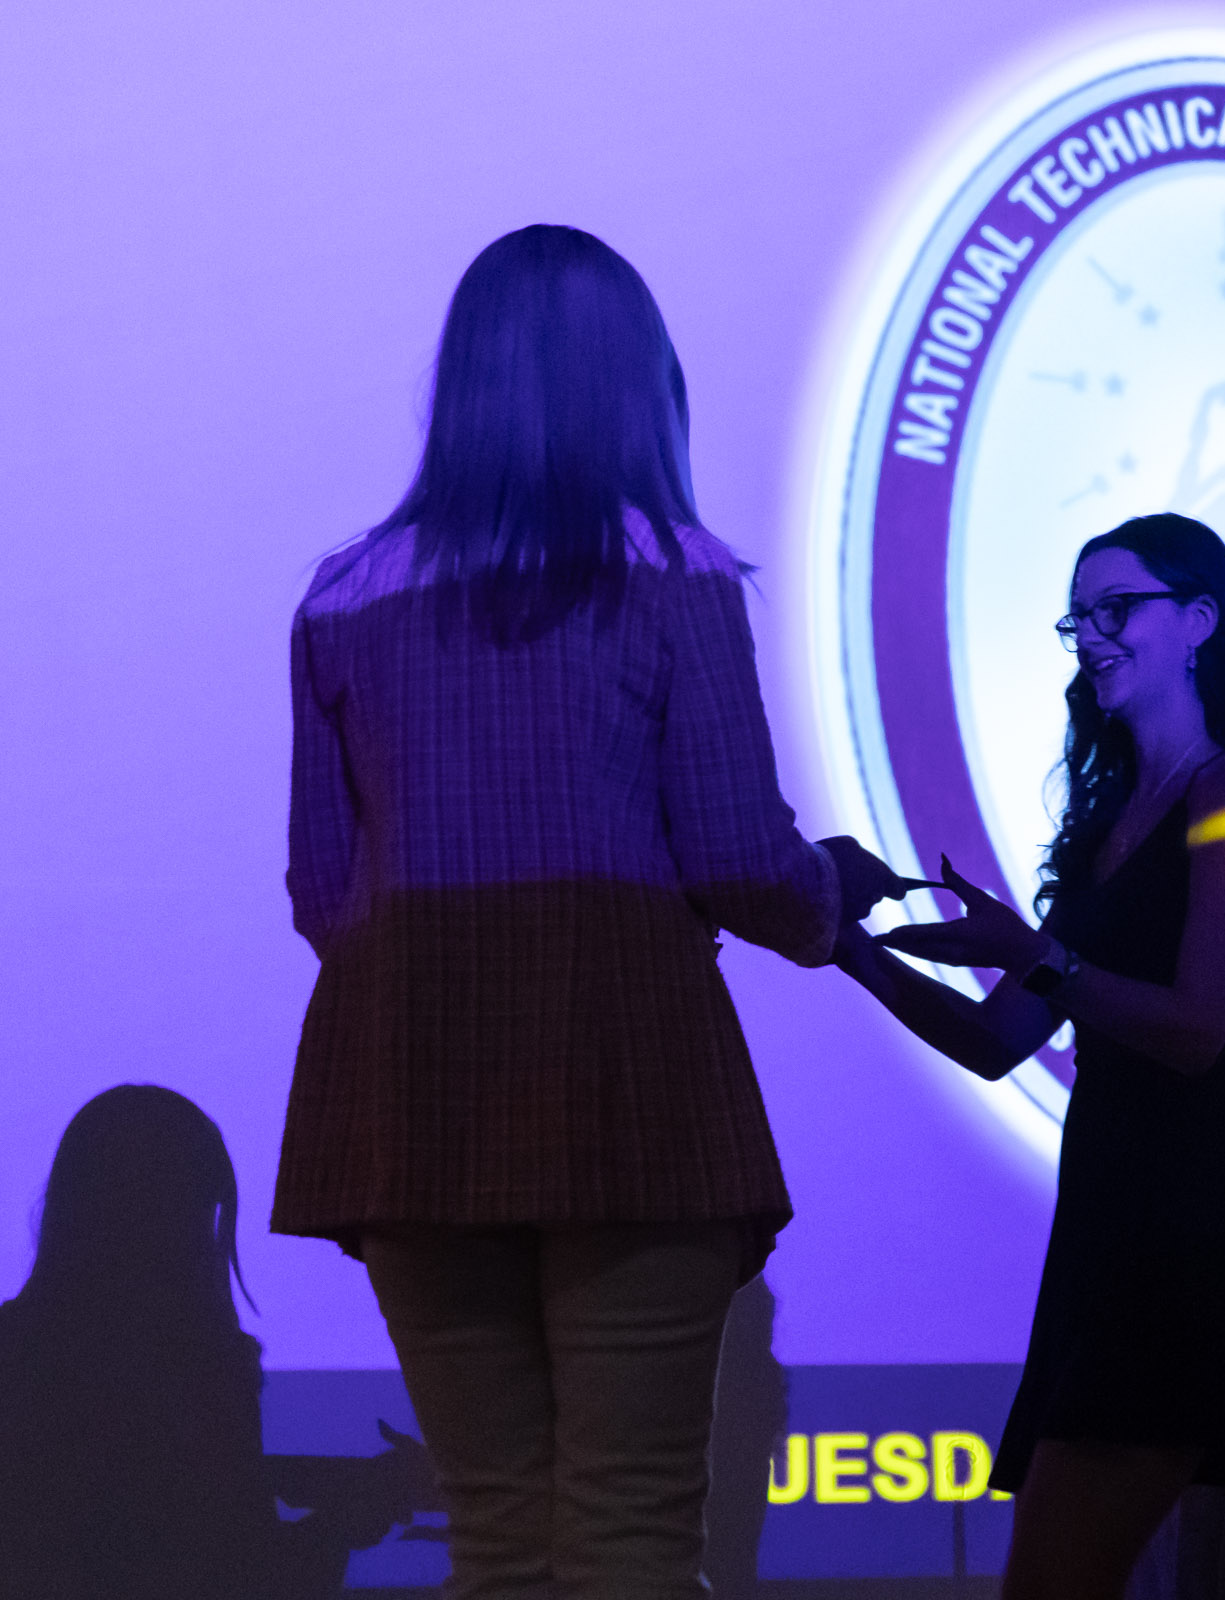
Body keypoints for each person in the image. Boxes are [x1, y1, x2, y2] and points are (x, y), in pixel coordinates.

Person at [270, 224, 907, 1598]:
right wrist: (828, 901)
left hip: (406, 1082)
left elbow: (324, 890)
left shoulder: (339, 599)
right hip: (623, 1066)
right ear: (634, 385)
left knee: (497, 1537)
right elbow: (738, 851)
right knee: (628, 1533)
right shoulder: (670, 571)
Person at [833, 512, 1225, 1600]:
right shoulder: (1109, 821)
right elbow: (993, 1037)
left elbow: (1205, 1027)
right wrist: (847, 948)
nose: (1092, 637)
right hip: (1117, 1228)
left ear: (1201, 618)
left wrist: (1043, 955)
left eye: (1119, 609)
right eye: (1080, 618)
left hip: (1193, 1230)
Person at [0, 1085, 426, 1600]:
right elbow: (237, 1573)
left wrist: (300, 1484)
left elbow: (20, 1545)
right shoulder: (203, 1362)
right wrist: (345, 1518)